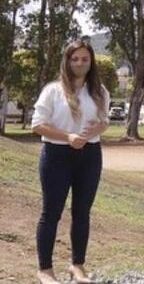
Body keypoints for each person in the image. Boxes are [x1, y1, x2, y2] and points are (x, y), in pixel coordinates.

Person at [31, 40, 110, 284]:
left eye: (84, 59)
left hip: (90, 155)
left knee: (82, 213)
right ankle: (45, 270)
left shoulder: (99, 91)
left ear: (91, 62)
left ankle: (77, 266)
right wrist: (68, 137)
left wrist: (99, 127)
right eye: (74, 59)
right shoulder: (53, 91)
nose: (79, 63)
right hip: (57, 156)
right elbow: (37, 125)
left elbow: (105, 120)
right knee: (51, 213)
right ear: (67, 61)